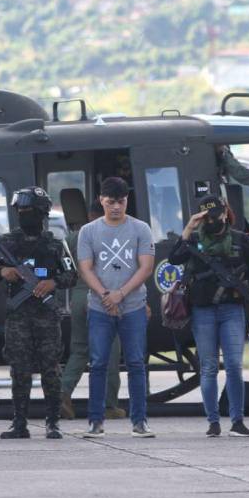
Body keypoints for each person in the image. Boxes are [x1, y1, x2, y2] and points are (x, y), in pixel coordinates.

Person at [0, 186, 78, 439]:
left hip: (47, 316)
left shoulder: (55, 245)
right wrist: (4, 272)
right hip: (18, 317)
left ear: (42, 212)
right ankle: (20, 423)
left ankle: (53, 422)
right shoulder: (7, 244)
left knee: (51, 370)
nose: (24, 214)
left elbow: (71, 274)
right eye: (21, 210)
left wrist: (53, 283)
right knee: (19, 370)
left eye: (29, 210)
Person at [168, 194, 249, 437]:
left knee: (233, 365)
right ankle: (213, 422)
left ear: (225, 213)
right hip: (202, 311)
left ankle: (237, 421)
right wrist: (189, 227)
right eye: (205, 216)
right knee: (209, 367)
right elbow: (173, 258)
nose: (211, 220)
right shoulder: (194, 240)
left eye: (215, 214)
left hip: (232, 309)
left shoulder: (241, 241)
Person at [78, 177, 155, 438]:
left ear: (127, 201)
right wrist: (105, 296)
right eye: (110, 202)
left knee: (135, 362)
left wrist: (120, 294)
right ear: (101, 200)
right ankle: (95, 420)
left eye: (120, 202)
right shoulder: (88, 231)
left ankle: (140, 420)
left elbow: (146, 266)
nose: (115, 208)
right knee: (98, 362)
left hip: (133, 306)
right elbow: (86, 268)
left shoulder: (141, 228)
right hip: (99, 307)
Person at [60, 199, 125, 421]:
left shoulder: (72, 238)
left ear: (89, 216)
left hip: (78, 297)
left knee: (79, 350)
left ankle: (62, 394)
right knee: (111, 351)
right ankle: (109, 405)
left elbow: (64, 268)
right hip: (103, 297)